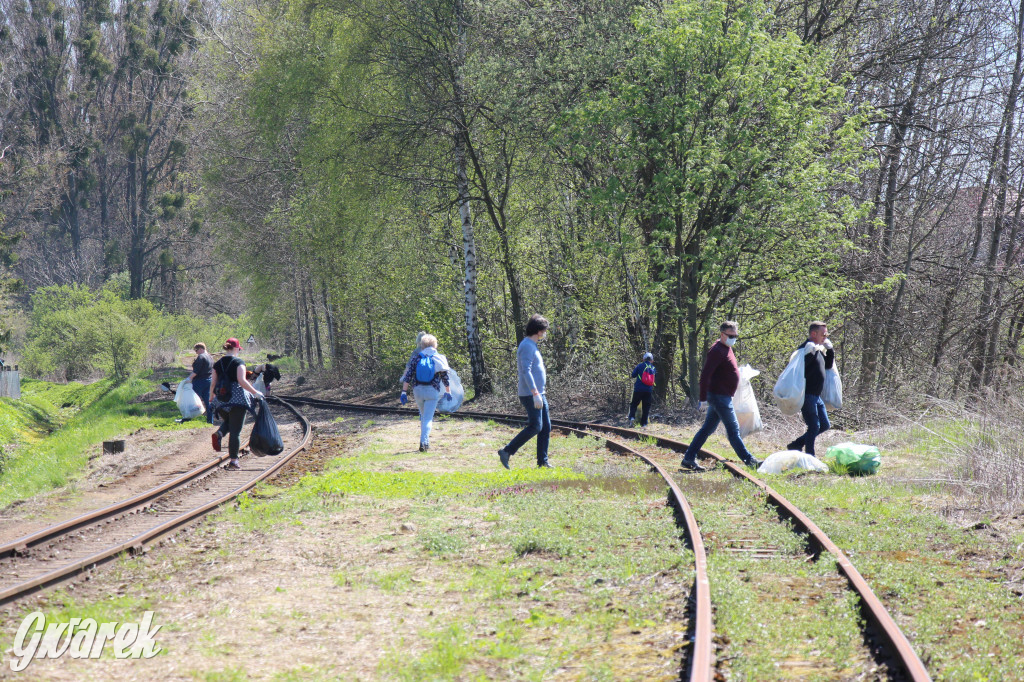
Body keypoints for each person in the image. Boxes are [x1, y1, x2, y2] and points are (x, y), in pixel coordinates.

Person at [680, 321, 761, 472]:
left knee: (707, 429)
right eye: (731, 335)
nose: (733, 338)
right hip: (719, 396)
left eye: (736, 335)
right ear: (722, 334)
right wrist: (703, 399)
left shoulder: (726, 348)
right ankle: (750, 461)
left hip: (723, 396)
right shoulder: (717, 350)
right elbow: (705, 375)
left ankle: (688, 458)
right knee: (733, 430)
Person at [498, 314, 552, 469]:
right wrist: (535, 393)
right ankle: (507, 451)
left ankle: (543, 462)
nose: (545, 333)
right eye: (544, 330)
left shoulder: (532, 345)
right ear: (539, 330)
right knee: (536, 426)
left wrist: (539, 393)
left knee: (545, 427)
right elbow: (525, 371)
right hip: (531, 394)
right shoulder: (527, 346)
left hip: (539, 393)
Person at [209, 338, 263, 470]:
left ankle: (220, 433)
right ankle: (233, 461)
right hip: (238, 400)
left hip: (221, 399)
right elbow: (241, 381)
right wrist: (255, 392)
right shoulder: (239, 362)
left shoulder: (218, 363)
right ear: (237, 348)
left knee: (229, 423)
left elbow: (213, 383)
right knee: (235, 431)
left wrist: (211, 398)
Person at [786, 321, 835, 458]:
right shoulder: (805, 349)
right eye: (823, 334)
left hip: (816, 395)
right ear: (814, 333)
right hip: (807, 394)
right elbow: (797, 370)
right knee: (814, 426)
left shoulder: (817, 349)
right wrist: (808, 354)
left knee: (824, 425)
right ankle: (810, 457)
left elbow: (828, 365)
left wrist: (830, 350)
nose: (825, 336)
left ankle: (796, 444)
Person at [400, 334, 453, 452]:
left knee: (423, 416)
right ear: (435, 344)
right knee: (428, 418)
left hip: (418, 390)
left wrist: (404, 392)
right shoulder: (438, 357)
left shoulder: (417, 357)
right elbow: (444, 377)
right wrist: (448, 391)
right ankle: (424, 442)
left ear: (422, 345)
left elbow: (408, 376)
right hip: (432, 391)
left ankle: (425, 442)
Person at [185, 343, 214, 424]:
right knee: (208, 401)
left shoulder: (201, 357)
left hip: (199, 382)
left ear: (201, 348)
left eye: (196, 350)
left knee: (192, 400)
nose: (196, 352)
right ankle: (210, 420)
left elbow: (196, 371)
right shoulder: (210, 357)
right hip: (209, 380)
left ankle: (188, 418)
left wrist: (189, 378)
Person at [628, 352, 656, 428]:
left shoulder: (640, 366)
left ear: (643, 359)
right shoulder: (653, 368)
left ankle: (632, 418)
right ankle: (644, 424)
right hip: (648, 390)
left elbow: (633, 375)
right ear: (652, 360)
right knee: (646, 407)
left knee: (634, 404)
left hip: (638, 389)